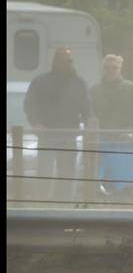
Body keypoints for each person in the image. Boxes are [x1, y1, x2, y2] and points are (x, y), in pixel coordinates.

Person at [23, 46, 92, 201]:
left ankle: (64, 204)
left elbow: (87, 108)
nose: (66, 62)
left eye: (68, 60)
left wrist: (89, 127)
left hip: (69, 135)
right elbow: (29, 104)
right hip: (47, 134)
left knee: (67, 172)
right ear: (55, 61)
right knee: (44, 171)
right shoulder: (41, 81)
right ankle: (41, 203)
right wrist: (35, 123)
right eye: (62, 59)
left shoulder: (79, 83)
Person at [89, 54, 133, 200]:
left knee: (127, 186)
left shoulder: (132, 88)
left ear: (120, 69)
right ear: (103, 69)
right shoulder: (94, 90)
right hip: (102, 142)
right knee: (100, 184)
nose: (111, 70)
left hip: (126, 144)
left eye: (114, 68)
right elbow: (89, 113)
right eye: (108, 68)